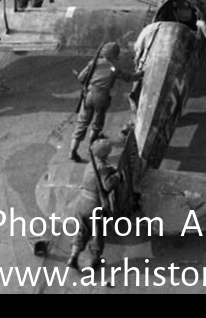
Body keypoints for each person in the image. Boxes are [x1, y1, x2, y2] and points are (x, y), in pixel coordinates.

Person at [70, 43, 140, 162]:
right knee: (97, 123)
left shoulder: (93, 63)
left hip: (89, 94)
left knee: (82, 123)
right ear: (115, 55)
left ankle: (73, 151)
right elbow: (129, 77)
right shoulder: (113, 67)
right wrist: (141, 74)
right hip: (102, 97)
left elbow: (81, 78)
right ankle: (92, 146)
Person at [67, 139, 119, 270]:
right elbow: (107, 186)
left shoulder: (91, 165)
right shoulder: (102, 168)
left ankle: (73, 256)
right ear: (105, 154)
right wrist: (118, 177)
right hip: (94, 205)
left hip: (82, 201)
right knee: (97, 233)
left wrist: (110, 170)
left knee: (82, 230)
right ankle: (95, 260)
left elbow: (100, 173)